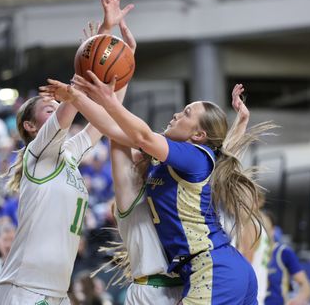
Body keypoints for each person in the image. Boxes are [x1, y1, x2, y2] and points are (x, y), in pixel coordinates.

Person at [64, 68, 277, 304]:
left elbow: (140, 136)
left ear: (198, 135)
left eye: (186, 113)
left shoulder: (195, 156)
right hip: (224, 269)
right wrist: (76, 97)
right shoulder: (174, 160)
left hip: (212, 270)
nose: (176, 114)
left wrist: (102, 99)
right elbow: (115, 131)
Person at [0, 0, 134, 304]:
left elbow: (106, 121)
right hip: (24, 289)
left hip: (53, 291)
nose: (55, 107)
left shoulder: (67, 155)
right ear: (30, 126)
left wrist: (120, 73)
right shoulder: (37, 153)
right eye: (47, 107)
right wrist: (103, 36)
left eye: (55, 105)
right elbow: (73, 100)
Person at [265, 218, 310, 305]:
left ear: (273, 230)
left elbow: (306, 287)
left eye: (266, 229)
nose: (264, 233)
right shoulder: (246, 253)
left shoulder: (283, 252)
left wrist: (296, 301)